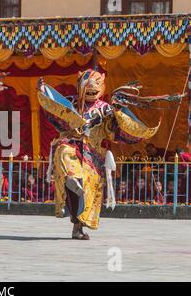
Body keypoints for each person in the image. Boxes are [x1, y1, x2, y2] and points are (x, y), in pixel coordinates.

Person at [36, 70, 179, 240]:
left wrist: (119, 112)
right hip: (73, 143)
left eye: (95, 86)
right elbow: (54, 109)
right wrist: (43, 90)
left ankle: (77, 227)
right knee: (64, 152)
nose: (90, 90)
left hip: (93, 154)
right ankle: (71, 178)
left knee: (87, 193)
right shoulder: (71, 102)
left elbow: (115, 132)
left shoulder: (105, 109)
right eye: (86, 86)